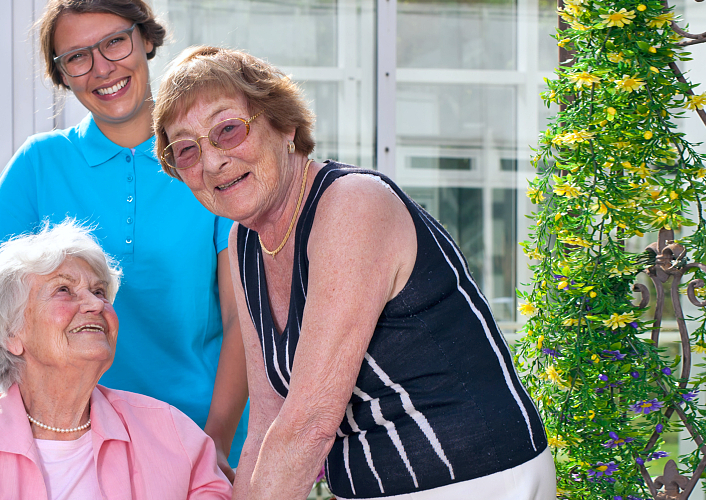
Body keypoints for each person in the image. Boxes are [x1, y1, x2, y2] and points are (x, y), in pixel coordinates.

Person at [152, 46, 554, 500]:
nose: (211, 162)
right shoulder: (245, 242)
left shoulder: (352, 205)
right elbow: (269, 416)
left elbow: (309, 424)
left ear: (285, 126)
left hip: (475, 479)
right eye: (186, 150)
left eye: (228, 130)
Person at [0, 0, 248, 465]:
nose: (101, 68)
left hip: (196, 436)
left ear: (146, 39)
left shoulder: (204, 157)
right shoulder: (38, 164)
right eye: (77, 56)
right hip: (63, 442)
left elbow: (243, 318)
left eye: (114, 42)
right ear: (64, 75)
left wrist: (215, 439)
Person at [0, 222, 231, 500]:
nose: (95, 303)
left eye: (99, 291)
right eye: (64, 290)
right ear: (10, 333)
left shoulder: (175, 434)